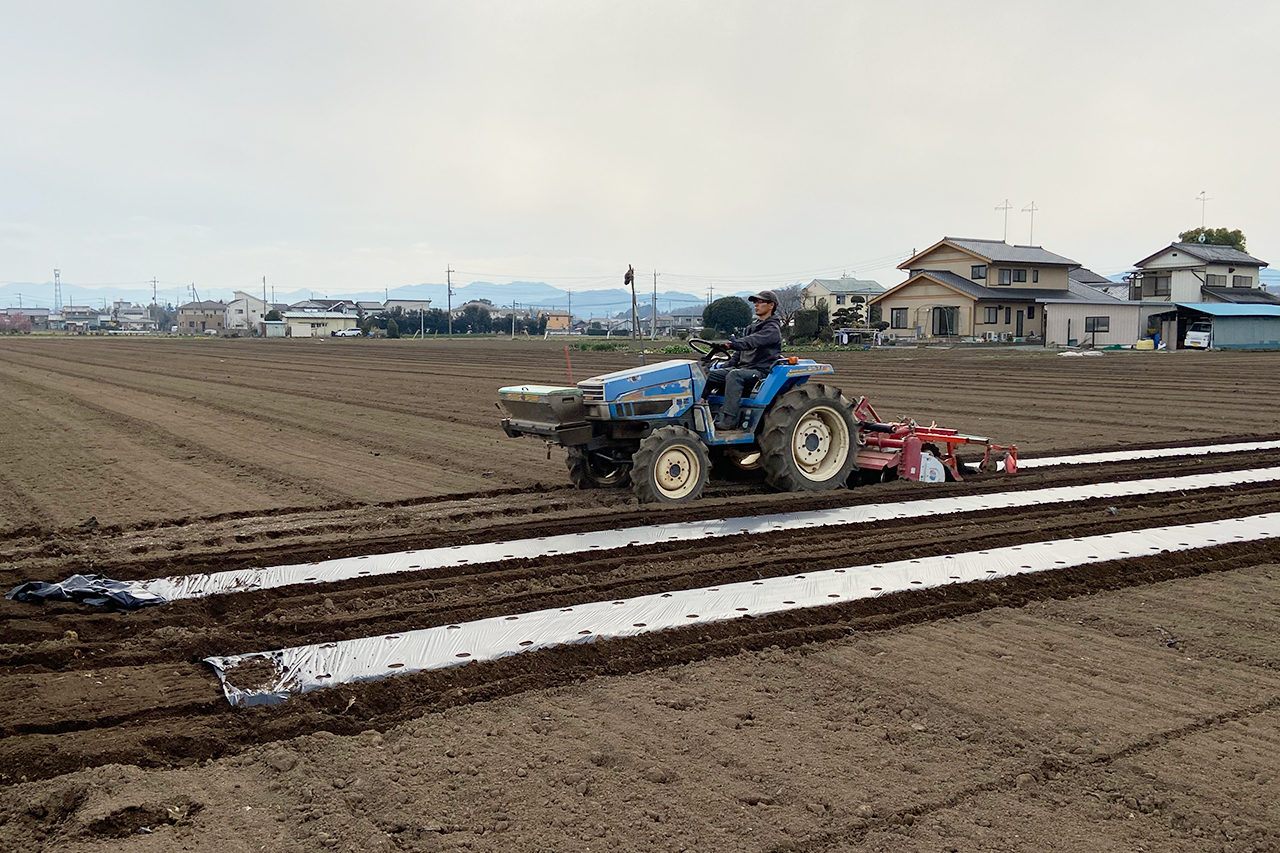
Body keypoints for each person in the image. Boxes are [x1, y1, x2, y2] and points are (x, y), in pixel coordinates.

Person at [705, 290, 783, 430]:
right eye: (755, 302)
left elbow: (751, 342)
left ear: (771, 305)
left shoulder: (772, 329)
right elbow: (738, 354)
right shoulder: (751, 328)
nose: (756, 305)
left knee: (734, 375)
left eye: (760, 302)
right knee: (709, 374)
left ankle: (729, 420)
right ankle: (701, 407)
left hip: (759, 371)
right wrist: (722, 366)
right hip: (744, 368)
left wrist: (731, 344)